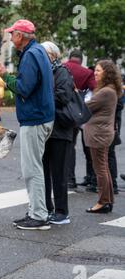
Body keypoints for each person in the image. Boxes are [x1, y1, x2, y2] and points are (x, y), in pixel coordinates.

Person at [0, 19, 55, 230]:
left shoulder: (30, 55)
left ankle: (38, 215)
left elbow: (24, 88)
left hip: (35, 118)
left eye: (12, 34)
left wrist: (4, 77)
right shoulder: (38, 52)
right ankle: (37, 211)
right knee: (35, 167)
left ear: (20, 36)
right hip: (42, 116)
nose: (10, 38)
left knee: (32, 169)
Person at [41, 41, 74, 225]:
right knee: (44, 172)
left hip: (61, 131)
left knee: (59, 174)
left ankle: (62, 213)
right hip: (47, 130)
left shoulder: (62, 72)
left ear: (53, 55)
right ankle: (46, 208)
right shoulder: (45, 72)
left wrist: (42, 97)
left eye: (44, 54)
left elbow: (63, 96)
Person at [84, 60, 122, 214]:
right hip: (102, 133)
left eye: (98, 70)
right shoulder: (110, 89)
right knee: (103, 167)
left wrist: (76, 96)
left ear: (107, 72)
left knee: (100, 169)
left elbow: (88, 106)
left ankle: (103, 201)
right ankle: (107, 200)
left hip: (99, 134)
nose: (95, 73)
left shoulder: (106, 91)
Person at [63, 50, 97, 189]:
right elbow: (95, 88)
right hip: (82, 112)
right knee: (88, 146)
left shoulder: (62, 67)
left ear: (70, 57)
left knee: (70, 147)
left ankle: (70, 179)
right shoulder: (87, 72)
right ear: (81, 60)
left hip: (66, 112)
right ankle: (91, 178)